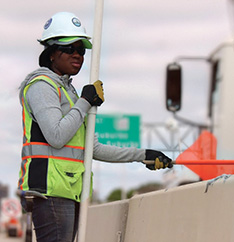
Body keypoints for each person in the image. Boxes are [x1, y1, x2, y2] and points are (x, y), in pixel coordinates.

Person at [18, 12, 173, 242]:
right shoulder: (42, 86)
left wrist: (142, 155)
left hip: (68, 189)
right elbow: (57, 136)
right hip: (50, 191)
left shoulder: (68, 92)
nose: (78, 55)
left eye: (81, 50)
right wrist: (85, 102)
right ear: (51, 53)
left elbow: (94, 148)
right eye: (70, 49)